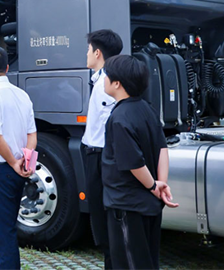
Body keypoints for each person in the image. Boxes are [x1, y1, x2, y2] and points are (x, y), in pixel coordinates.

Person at [101, 55, 179, 270]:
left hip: (127, 204)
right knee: (147, 261)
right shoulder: (147, 109)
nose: (104, 80)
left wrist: (154, 186)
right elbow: (162, 148)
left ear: (117, 83)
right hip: (149, 205)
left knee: (130, 263)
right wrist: (160, 184)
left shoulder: (119, 118)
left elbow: (134, 163)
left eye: (106, 76)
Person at [0, 45, 36, 270]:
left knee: (3, 237)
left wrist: (13, 162)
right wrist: (25, 161)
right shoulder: (22, 94)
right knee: (8, 229)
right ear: (8, 68)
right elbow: (32, 133)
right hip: (17, 170)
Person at [80, 29, 123, 269]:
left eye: (88, 49)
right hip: (98, 155)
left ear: (97, 52)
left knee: (105, 220)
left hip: (102, 157)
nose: (86, 54)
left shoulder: (107, 82)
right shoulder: (102, 79)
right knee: (103, 220)